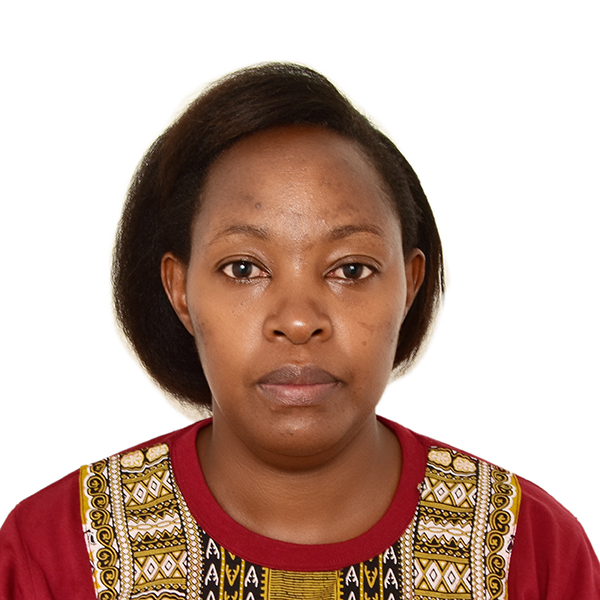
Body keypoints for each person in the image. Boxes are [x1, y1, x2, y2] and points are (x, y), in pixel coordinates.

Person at [0, 63, 598, 600]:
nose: (298, 320)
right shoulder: (54, 555)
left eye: (350, 270)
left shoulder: (532, 552)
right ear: (180, 291)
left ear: (409, 286)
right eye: (244, 269)